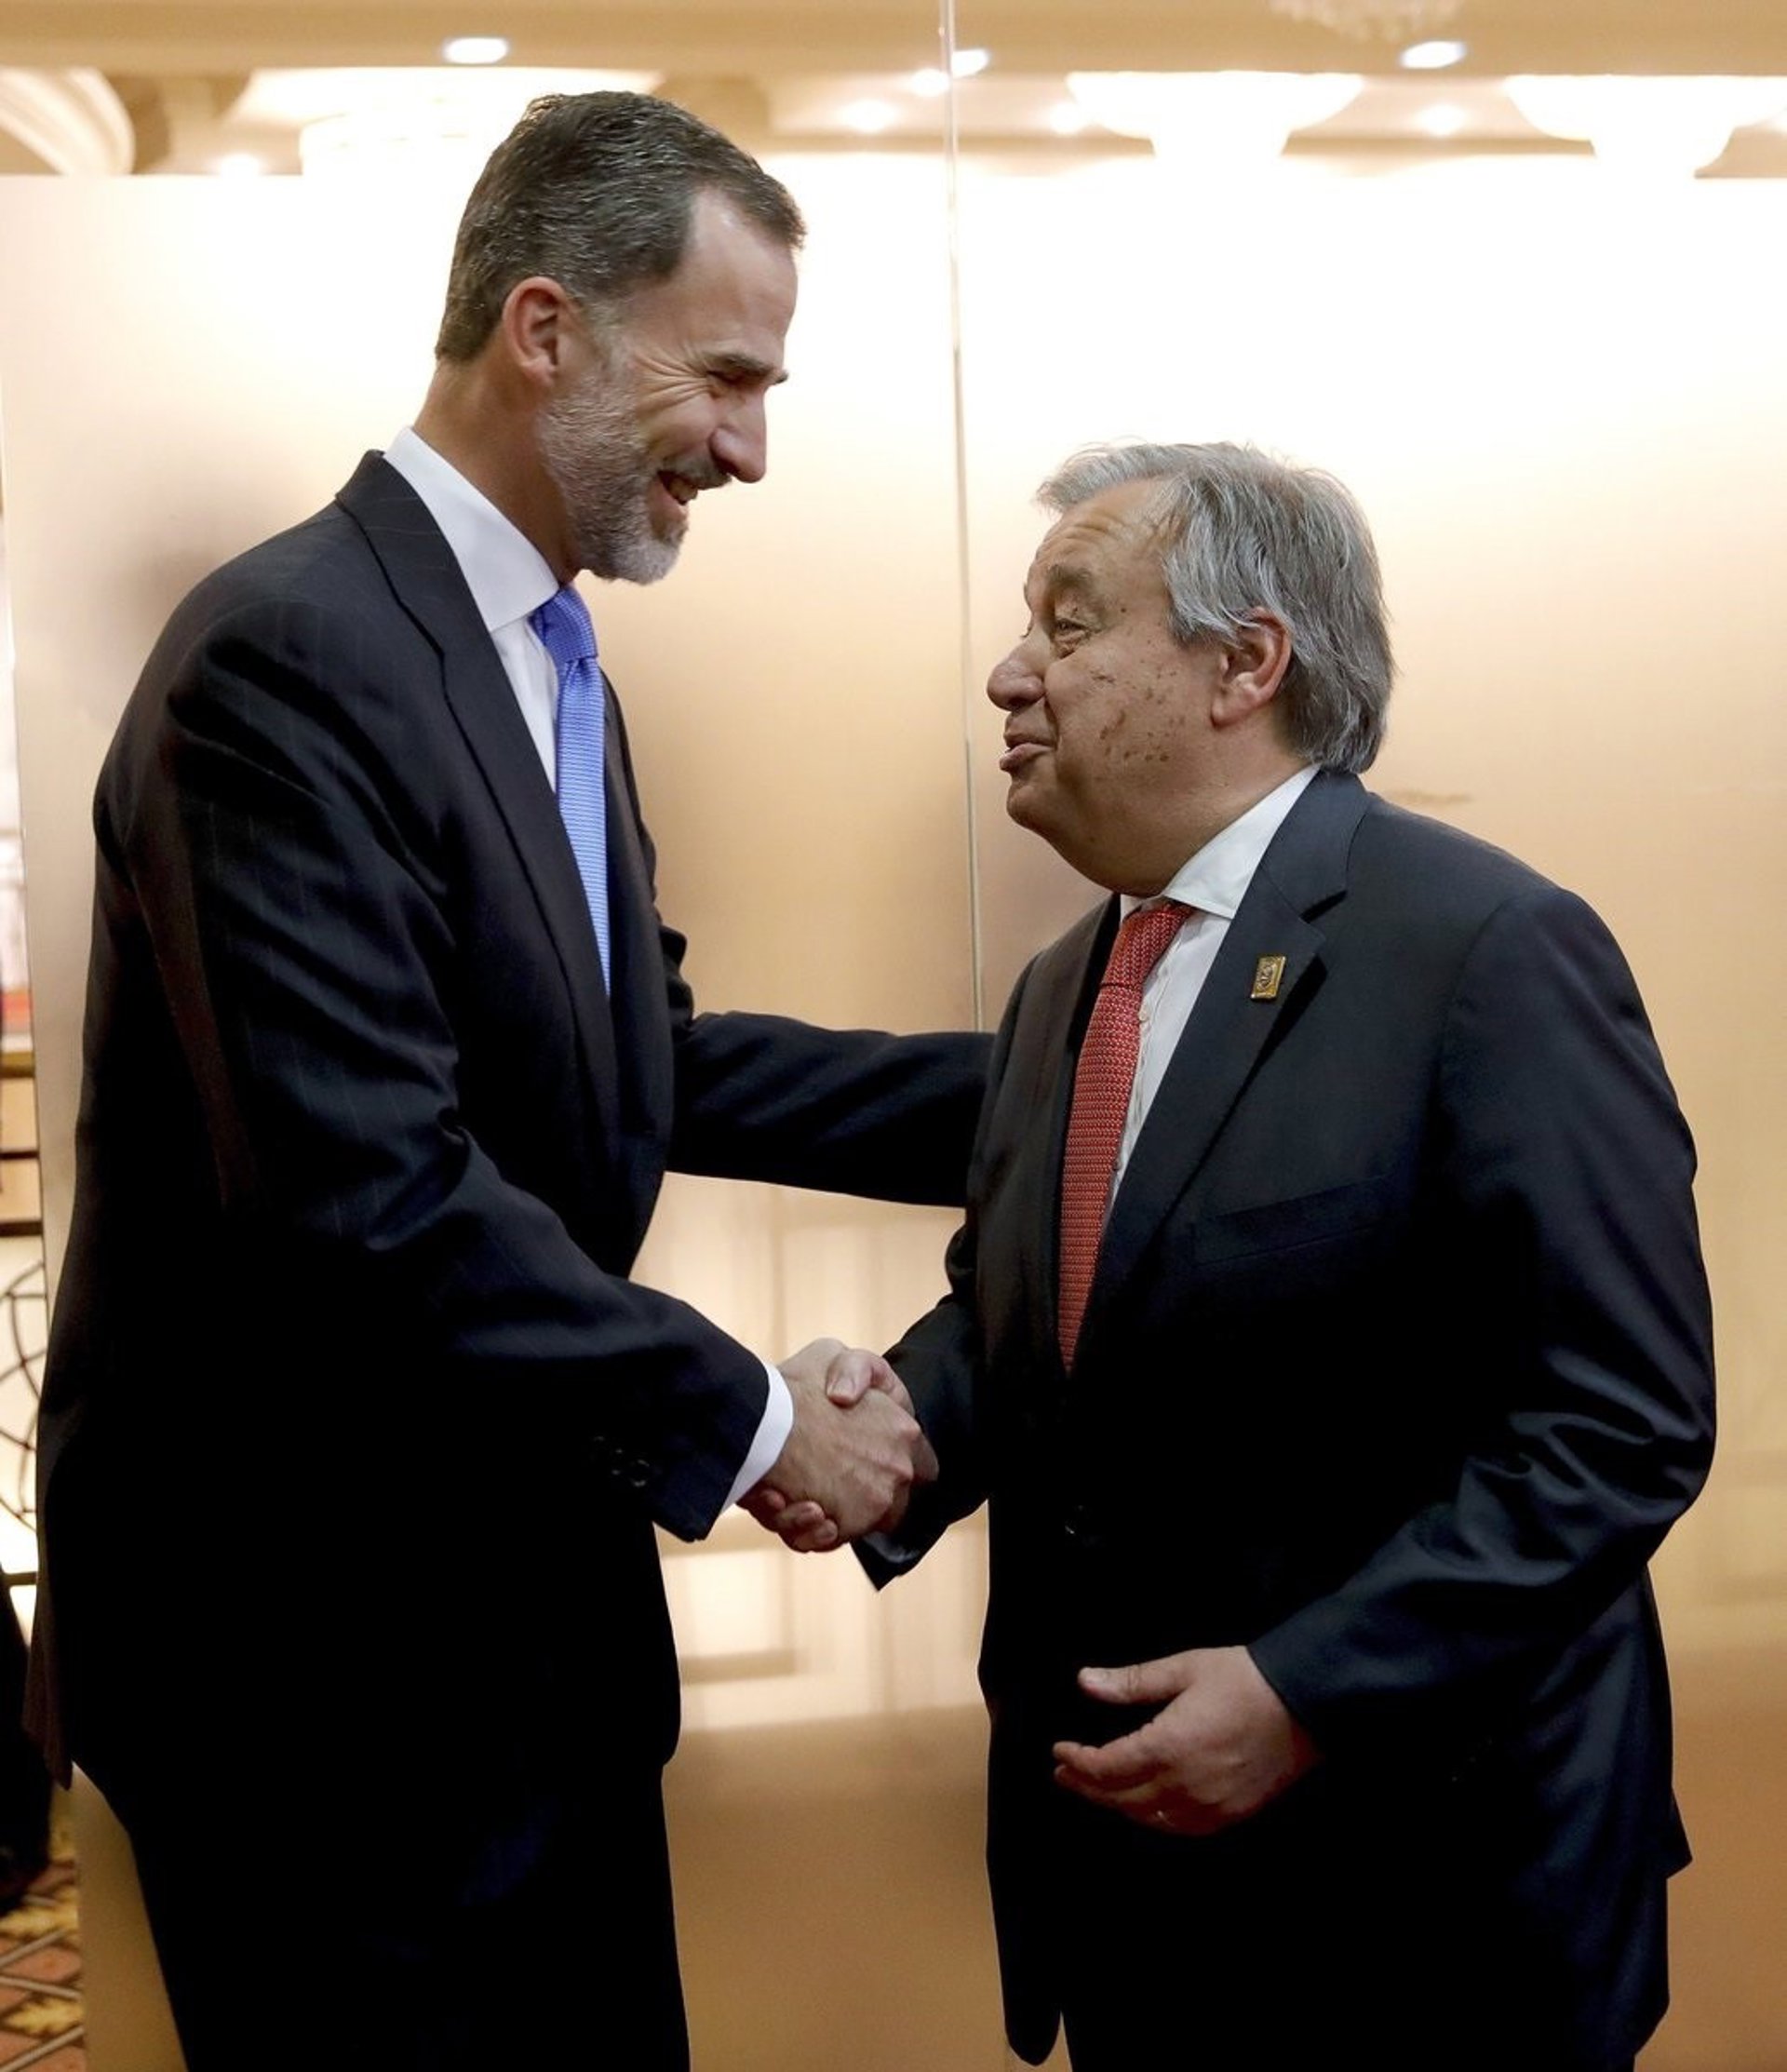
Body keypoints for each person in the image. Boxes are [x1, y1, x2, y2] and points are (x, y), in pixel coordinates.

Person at [27, 92, 988, 2070]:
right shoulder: (286, 657)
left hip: (513, 1650)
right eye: (727, 377)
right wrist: (753, 1420)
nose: (751, 448)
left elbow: (640, 1065)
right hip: (321, 1694)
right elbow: (367, 1197)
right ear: (544, 328)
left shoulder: (543, 653)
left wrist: (1073, 1097)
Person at [775, 441, 1715, 2069]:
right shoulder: (1070, 982)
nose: (1011, 673)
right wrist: (891, 1421)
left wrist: (1310, 1689)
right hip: (1133, 1895)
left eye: (1071, 623)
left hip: (1424, 1907)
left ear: (1245, 662)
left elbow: (1619, 1421)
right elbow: (1043, 1314)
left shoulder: (1484, 950)